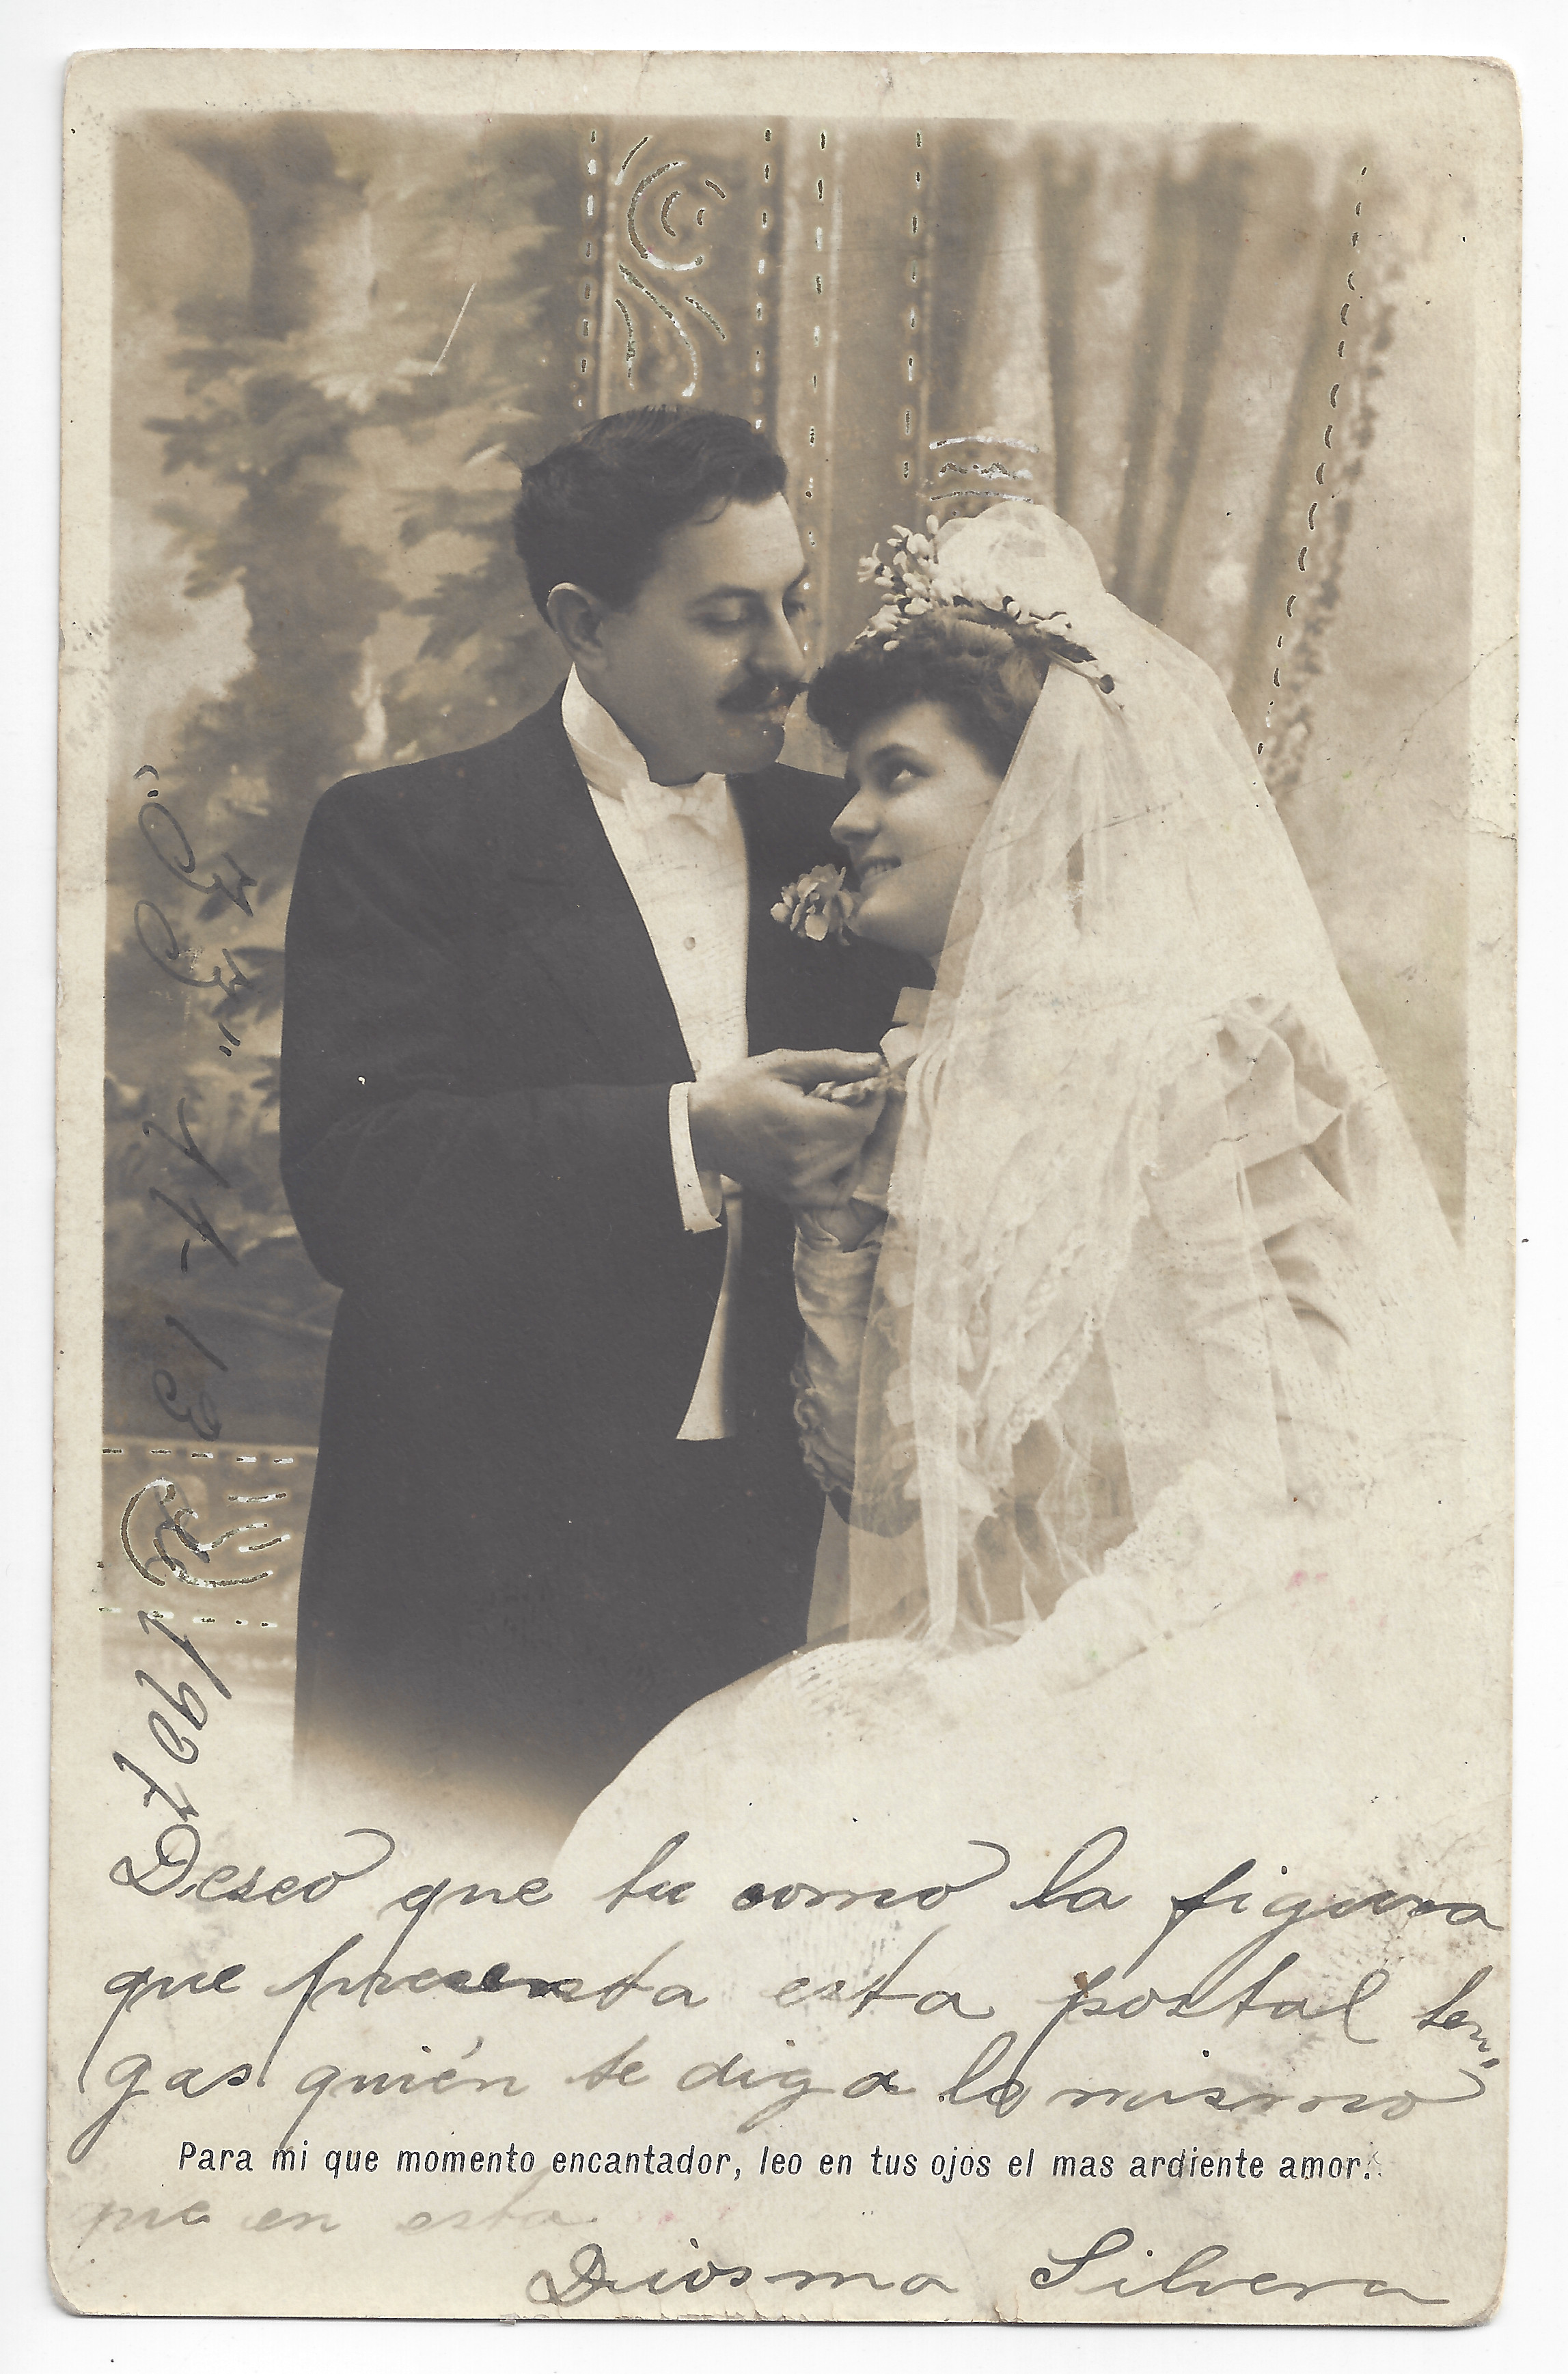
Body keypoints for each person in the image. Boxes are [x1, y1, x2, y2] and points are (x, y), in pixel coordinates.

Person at [555, 500, 1464, 1828]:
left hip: (1184, 1685)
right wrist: (834, 1220)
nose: (849, 820)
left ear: (1041, 790)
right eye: (852, 777)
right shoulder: (924, 1080)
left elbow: (1292, 1465)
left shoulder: (1212, 1055)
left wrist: (1042, 1683)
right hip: (980, 1687)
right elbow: (881, 1490)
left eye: (896, 775)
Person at [279, 406, 906, 1825]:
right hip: (474, 1573)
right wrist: (693, 1137)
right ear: (584, 622)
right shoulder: (406, 838)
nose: (789, 662)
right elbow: (357, 1185)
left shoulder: (850, 844)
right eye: (727, 618)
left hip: (768, 1565)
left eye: (794, 602)